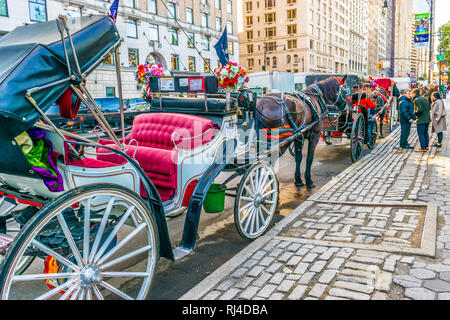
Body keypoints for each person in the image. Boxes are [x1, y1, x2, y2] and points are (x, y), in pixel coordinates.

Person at [412, 88, 431, 152]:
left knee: (421, 134)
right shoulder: (425, 98)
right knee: (426, 133)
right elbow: (429, 107)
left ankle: (423, 148)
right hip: (427, 119)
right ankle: (426, 146)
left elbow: (420, 110)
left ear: (414, 93)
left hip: (421, 120)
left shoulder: (417, 100)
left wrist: (415, 112)